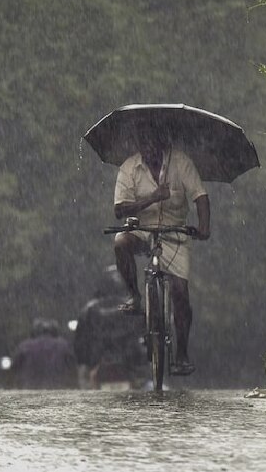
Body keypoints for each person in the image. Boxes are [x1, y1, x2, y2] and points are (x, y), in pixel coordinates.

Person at [112, 122, 210, 376]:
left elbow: (200, 196)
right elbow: (119, 210)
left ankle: (182, 354)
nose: (149, 152)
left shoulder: (181, 163)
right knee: (121, 242)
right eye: (144, 146)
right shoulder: (129, 167)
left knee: (180, 293)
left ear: (164, 145)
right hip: (142, 229)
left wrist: (203, 227)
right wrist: (153, 197)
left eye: (154, 146)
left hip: (174, 232)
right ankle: (134, 296)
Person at [73, 265, 145, 388]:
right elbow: (146, 336)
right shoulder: (136, 308)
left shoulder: (89, 309)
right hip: (130, 363)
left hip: (98, 363)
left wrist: (84, 362)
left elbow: (80, 344)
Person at [9, 318, 78, 390]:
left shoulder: (24, 346)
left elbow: (14, 368)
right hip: (57, 387)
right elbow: (72, 369)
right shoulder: (64, 346)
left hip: (29, 387)